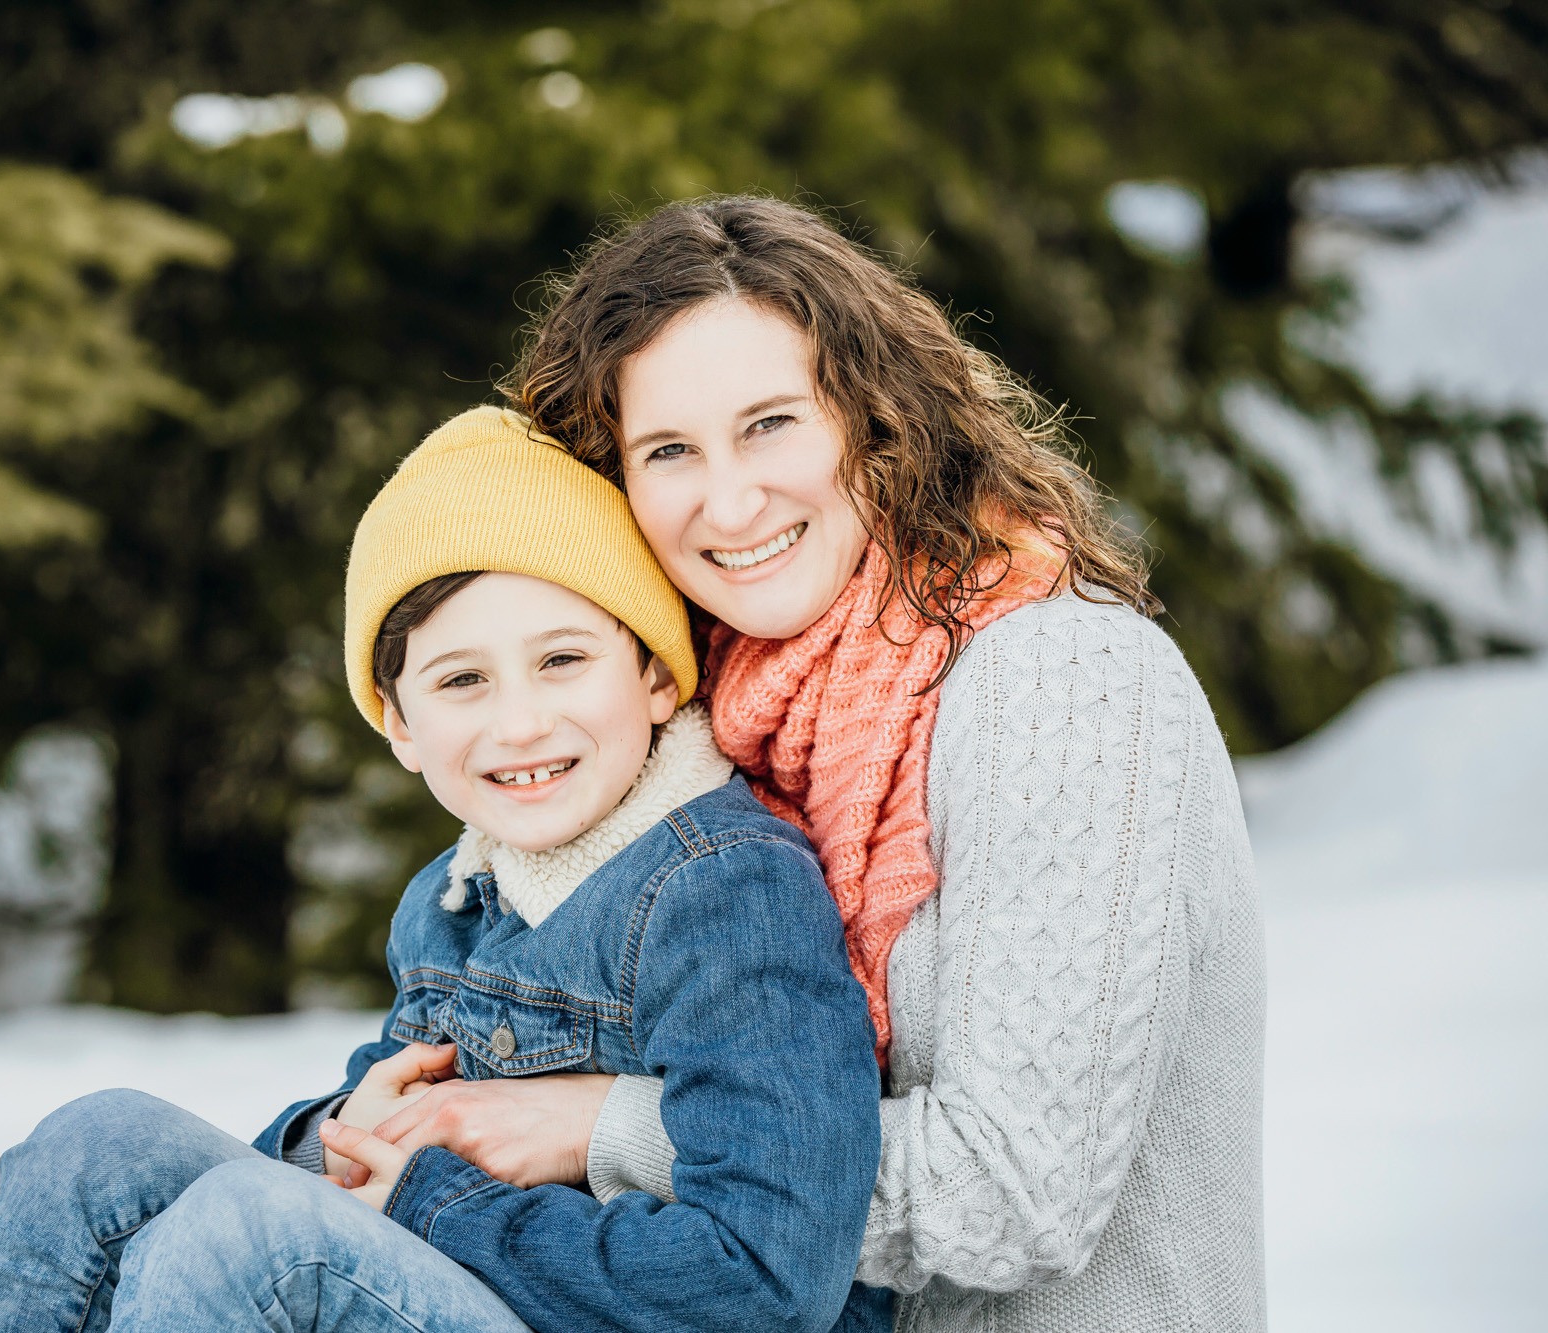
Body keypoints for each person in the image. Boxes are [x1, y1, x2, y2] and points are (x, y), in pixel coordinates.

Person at [360, 197, 1269, 1332]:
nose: (730, 499)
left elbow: (1016, 1191)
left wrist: (597, 1128)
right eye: (669, 451)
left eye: (771, 424)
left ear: (873, 418)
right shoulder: (701, 701)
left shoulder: (1059, 681)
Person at [0, 405, 891, 1333]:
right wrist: (339, 1136)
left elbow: (770, 1279)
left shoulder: (724, 889)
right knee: (96, 1144)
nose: (519, 721)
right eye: (461, 680)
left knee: (246, 1235)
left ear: (653, 675)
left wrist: (429, 1204)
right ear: (400, 724)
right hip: (472, 1286)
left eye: (562, 659)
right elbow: (384, 1130)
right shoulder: (453, 900)